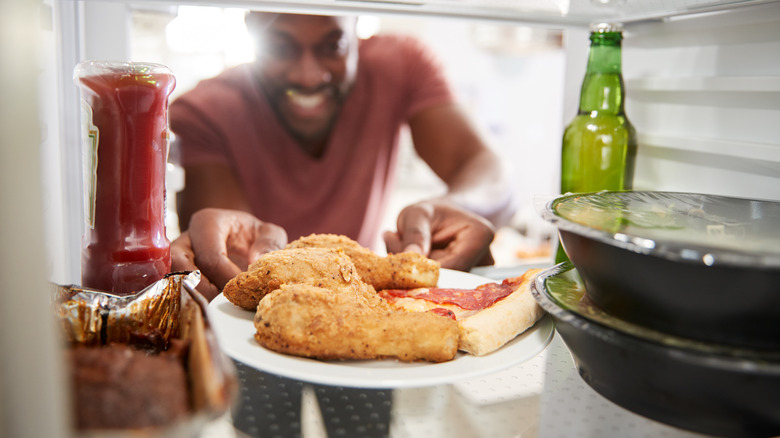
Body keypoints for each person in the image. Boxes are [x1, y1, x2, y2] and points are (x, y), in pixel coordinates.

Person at [169, 12, 517, 302]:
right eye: (280, 47)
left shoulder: (400, 64)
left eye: (332, 46)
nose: (308, 76)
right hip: (258, 322)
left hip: (364, 301)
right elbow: (232, 264)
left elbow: (488, 170)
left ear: (355, 29)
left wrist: (460, 207)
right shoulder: (204, 112)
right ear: (251, 29)